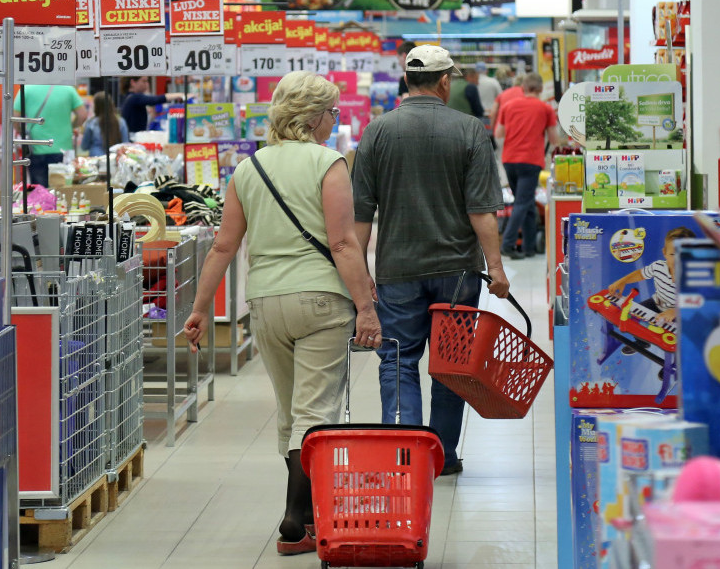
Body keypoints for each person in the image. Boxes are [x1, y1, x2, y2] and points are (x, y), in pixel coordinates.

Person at [183, 71, 380, 556]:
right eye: (332, 113)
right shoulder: (329, 163)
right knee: (315, 412)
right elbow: (341, 242)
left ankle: (306, 516)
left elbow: (223, 246)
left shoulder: (250, 169)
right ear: (314, 117)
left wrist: (200, 309)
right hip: (320, 300)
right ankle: (297, 519)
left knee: (292, 411)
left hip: (266, 302)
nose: (335, 121)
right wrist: (366, 308)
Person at [352, 45, 510, 476]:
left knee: (398, 358)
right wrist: (495, 267)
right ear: (444, 81)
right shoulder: (470, 130)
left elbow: (360, 214)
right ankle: (442, 454)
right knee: (451, 363)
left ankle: (403, 452)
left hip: (397, 269)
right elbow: (482, 211)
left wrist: (360, 275)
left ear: (406, 81)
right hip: (458, 271)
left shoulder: (376, 132)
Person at [495, 74, 560, 259]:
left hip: (509, 160)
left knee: (526, 202)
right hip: (531, 161)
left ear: (523, 88)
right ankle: (507, 244)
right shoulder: (545, 109)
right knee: (522, 203)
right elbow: (554, 139)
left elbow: (499, 133)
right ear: (540, 89)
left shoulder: (508, 106)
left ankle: (529, 246)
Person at [607, 226, 696, 323]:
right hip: (656, 303)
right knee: (630, 317)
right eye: (673, 254)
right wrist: (622, 281)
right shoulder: (658, 266)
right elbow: (641, 274)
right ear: (664, 253)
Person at [13, 85, 87, 188]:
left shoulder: (26, 89)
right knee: (63, 191)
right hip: (63, 150)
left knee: (40, 192)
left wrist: (22, 131)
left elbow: (15, 117)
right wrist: (71, 127)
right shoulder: (68, 89)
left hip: (35, 148)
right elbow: (82, 115)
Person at [120, 76, 185, 136]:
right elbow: (155, 100)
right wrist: (180, 95)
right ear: (133, 82)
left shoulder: (130, 97)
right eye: (144, 81)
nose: (147, 84)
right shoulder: (134, 98)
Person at [81, 91, 128, 157]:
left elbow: (84, 146)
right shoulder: (121, 122)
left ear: (96, 106)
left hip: (96, 160)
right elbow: (125, 144)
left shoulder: (91, 123)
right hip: (116, 159)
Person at [473, 62, 502, 126]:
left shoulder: (472, 83)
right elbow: (501, 97)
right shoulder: (493, 82)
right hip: (491, 115)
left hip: (476, 116)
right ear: (486, 71)